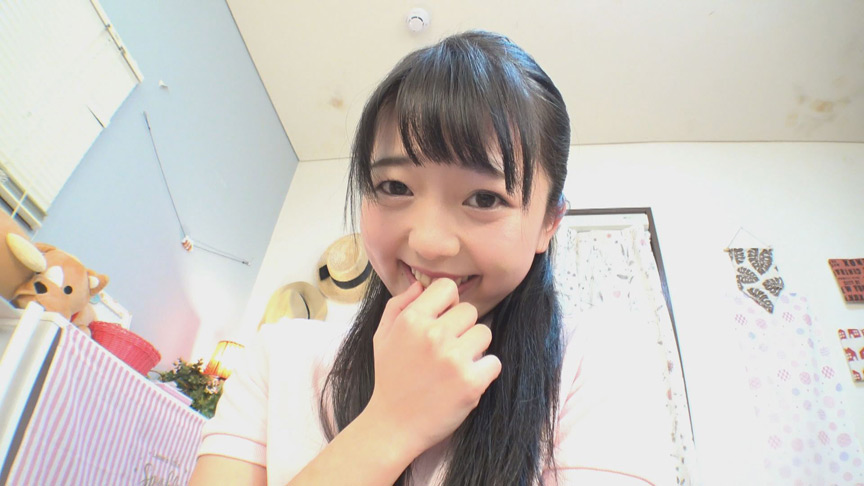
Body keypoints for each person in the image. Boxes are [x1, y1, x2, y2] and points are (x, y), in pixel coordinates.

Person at [189, 30, 674, 485]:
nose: (429, 242)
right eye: (394, 187)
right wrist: (389, 425)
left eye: (484, 198)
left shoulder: (598, 363)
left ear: (549, 222)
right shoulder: (280, 357)